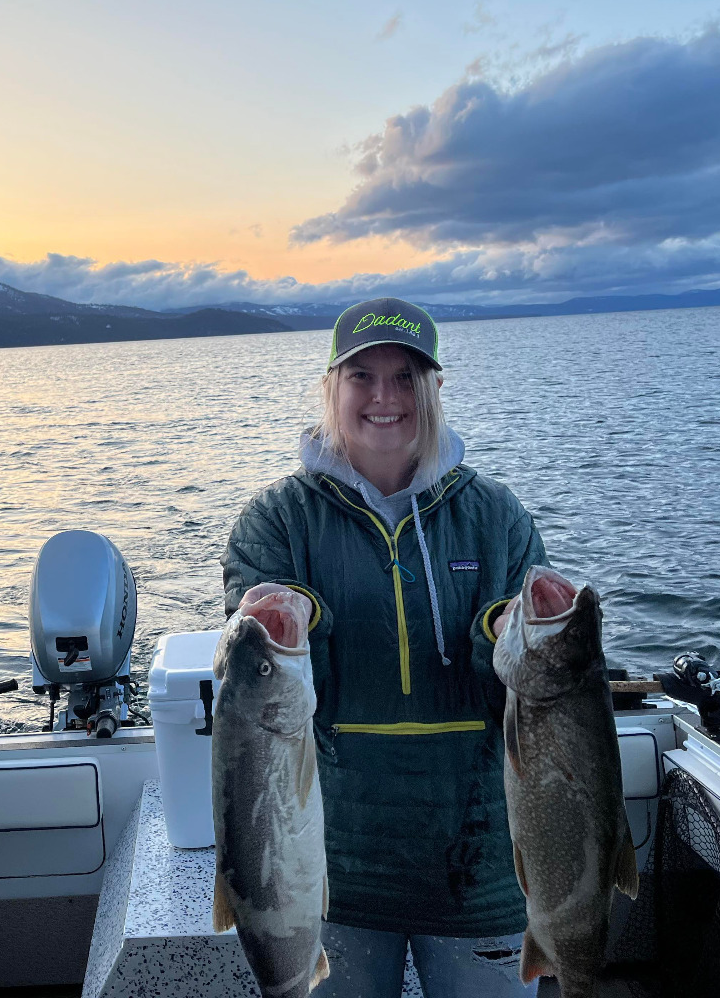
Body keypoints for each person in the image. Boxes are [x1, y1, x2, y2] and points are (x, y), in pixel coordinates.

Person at [222, 296, 546, 997]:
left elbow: (535, 685)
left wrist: (511, 628)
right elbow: (249, 674)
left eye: (405, 377)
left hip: (481, 858)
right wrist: (282, 615)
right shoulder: (276, 518)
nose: (383, 397)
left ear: (433, 390)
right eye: (361, 376)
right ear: (330, 387)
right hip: (329, 867)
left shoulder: (496, 514)